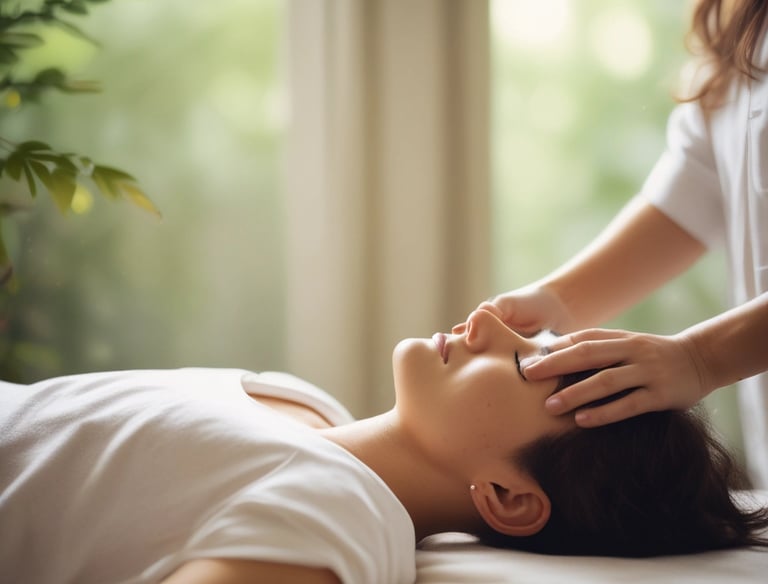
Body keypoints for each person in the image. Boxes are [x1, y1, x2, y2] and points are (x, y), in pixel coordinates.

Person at [2, 309, 767, 584]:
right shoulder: (304, 405)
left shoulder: (336, 515)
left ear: (508, 497)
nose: (487, 323)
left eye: (523, 362)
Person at [470, 0, 768, 489]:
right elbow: (696, 189)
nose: (477, 326)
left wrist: (701, 359)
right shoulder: (738, 20)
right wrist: (560, 301)